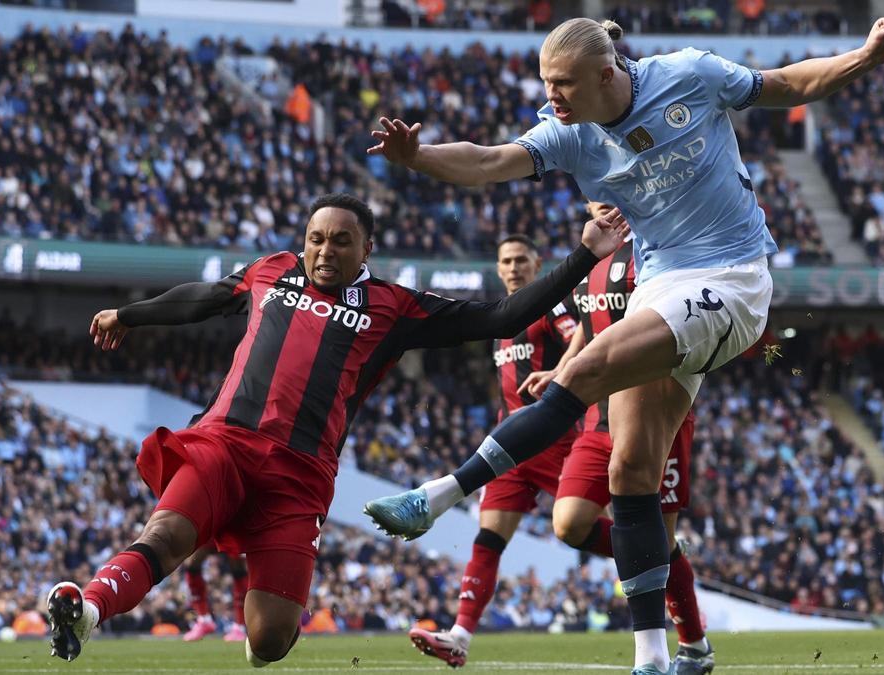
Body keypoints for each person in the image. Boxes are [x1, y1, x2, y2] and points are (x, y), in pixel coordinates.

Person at [362, 17, 884, 675]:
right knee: (629, 473)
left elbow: (788, 83)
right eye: (546, 84)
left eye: (562, 84)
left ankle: (442, 492)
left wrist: (867, 56)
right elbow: (487, 160)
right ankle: (659, 656)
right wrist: (416, 157)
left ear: (606, 73)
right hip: (660, 286)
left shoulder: (689, 74)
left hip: (730, 276)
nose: (552, 97)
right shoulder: (570, 134)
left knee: (587, 364)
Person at [45, 192, 629, 667]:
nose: (325, 250)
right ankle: (88, 609)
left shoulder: (394, 306)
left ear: (366, 248)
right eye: (316, 239)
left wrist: (583, 256)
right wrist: (129, 314)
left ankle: (259, 633)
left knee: (271, 640)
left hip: (299, 477)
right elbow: (202, 298)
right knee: (168, 535)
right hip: (222, 443)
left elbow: (500, 316)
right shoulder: (269, 271)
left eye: (341, 240)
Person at [409, 205, 711, 674]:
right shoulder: (509, 320)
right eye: (505, 262)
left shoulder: (562, 301)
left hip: (572, 432)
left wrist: (562, 371)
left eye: (520, 261)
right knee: (502, 536)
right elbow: (587, 333)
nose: (512, 268)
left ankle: (687, 636)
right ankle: (460, 634)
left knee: (649, 535)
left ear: (536, 264)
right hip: (528, 438)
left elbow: (586, 336)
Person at [180, 544, 249, 642]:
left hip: (231, 529)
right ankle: (204, 620)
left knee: (237, 567)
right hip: (210, 529)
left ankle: (239, 627)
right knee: (192, 562)